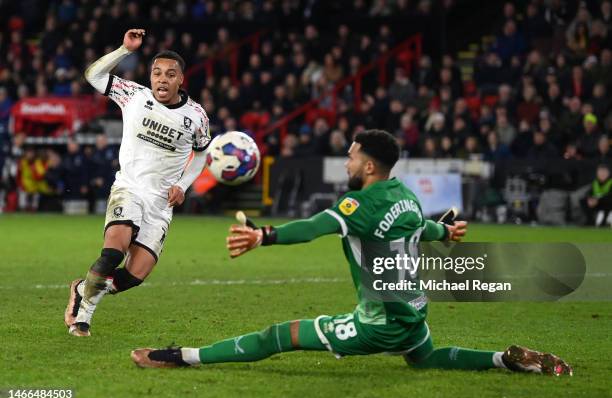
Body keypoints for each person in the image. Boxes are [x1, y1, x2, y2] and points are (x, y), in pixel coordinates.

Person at [131, 130, 572, 376]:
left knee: (275, 337)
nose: (346, 161)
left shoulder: (359, 206)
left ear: (370, 167)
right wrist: (446, 229)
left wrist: (265, 236)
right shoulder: (407, 195)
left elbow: (316, 227)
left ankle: (181, 356)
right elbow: (420, 227)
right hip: (413, 313)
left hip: (377, 324)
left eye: (352, 157)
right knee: (425, 358)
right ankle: (505, 360)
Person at [64, 29, 211, 337]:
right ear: (150, 76)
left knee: (134, 275)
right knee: (113, 253)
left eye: (170, 74)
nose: (162, 79)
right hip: (129, 188)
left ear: (181, 80)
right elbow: (92, 75)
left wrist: (183, 186)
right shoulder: (134, 94)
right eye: (156, 73)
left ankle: (82, 288)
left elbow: (201, 153)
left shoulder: (196, 116)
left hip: (161, 203)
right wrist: (124, 50)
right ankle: (84, 316)